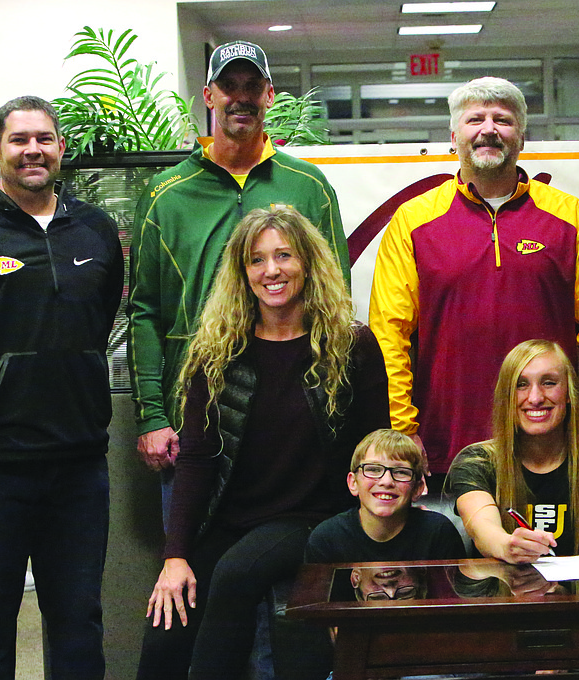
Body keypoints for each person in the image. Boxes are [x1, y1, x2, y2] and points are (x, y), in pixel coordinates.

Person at [135, 206, 387, 680]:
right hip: (230, 520)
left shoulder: (351, 346)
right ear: (242, 273)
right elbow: (196, 462)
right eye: (257, 260)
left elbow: (376, 447)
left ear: (308, 264)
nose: (271, 270)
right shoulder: (218, 351)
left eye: (284, 256)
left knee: (236, 572)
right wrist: (175, 556)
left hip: (315, 519)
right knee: (166, 624)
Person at [368, 76, 579, 487]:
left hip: (552, 446)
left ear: (521, 136)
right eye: (475, 120)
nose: (488, 129)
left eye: (502, 120)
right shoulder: (412, 222)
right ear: (454, 137)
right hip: (445, 446)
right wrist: (402, 426)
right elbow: (389, 334)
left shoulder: (570, 217)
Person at [128, 39, 348, 514]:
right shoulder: (166, 195)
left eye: (252, 85)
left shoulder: (309, 188)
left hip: (293, 421)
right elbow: (144, 311)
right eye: (229, 86)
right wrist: (151, 414)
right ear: (209, 96)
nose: (240, 97)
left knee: (294, 573)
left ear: (269, 95)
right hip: (194, 421)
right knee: (190, 571)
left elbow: (337, 302)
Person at [0, 95, 122, 679]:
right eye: (20, 140)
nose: (33, 150)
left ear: (61, 149)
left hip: (78, 465)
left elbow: (99, 321)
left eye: (43, 138)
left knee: (79, 621)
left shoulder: (94, 229)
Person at [446, 339, 579, 563]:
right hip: (504, 595)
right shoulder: (476, 461)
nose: (535, 398)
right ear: (506, 396)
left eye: (549, 383)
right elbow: (482, 528)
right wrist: (508, 546)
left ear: (568, 393)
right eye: (521, 385)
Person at [305, 429, 466, 564]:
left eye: (401, 472)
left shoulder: (439, 534)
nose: (386, 481)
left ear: (418, 488)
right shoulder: (326, 539)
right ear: (353, 483)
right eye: (373, 470)